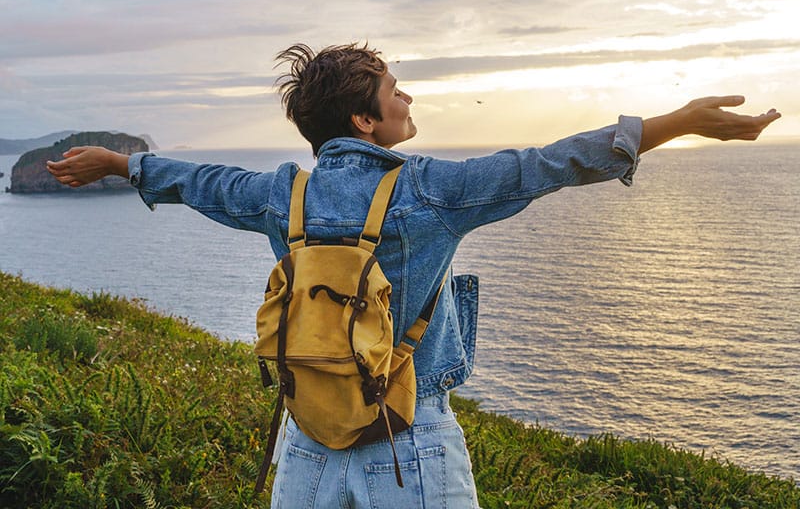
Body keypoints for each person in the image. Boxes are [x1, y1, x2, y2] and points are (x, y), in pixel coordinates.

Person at [46, 42, 781, 509]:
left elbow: (199, 180)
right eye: (395, 89)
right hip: (407, 433)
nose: (406, 99)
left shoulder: (283, 194)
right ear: (365, 121)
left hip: (307, 434)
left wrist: (118, 162)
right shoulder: (431, 189)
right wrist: (678, 121)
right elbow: (551, 163)